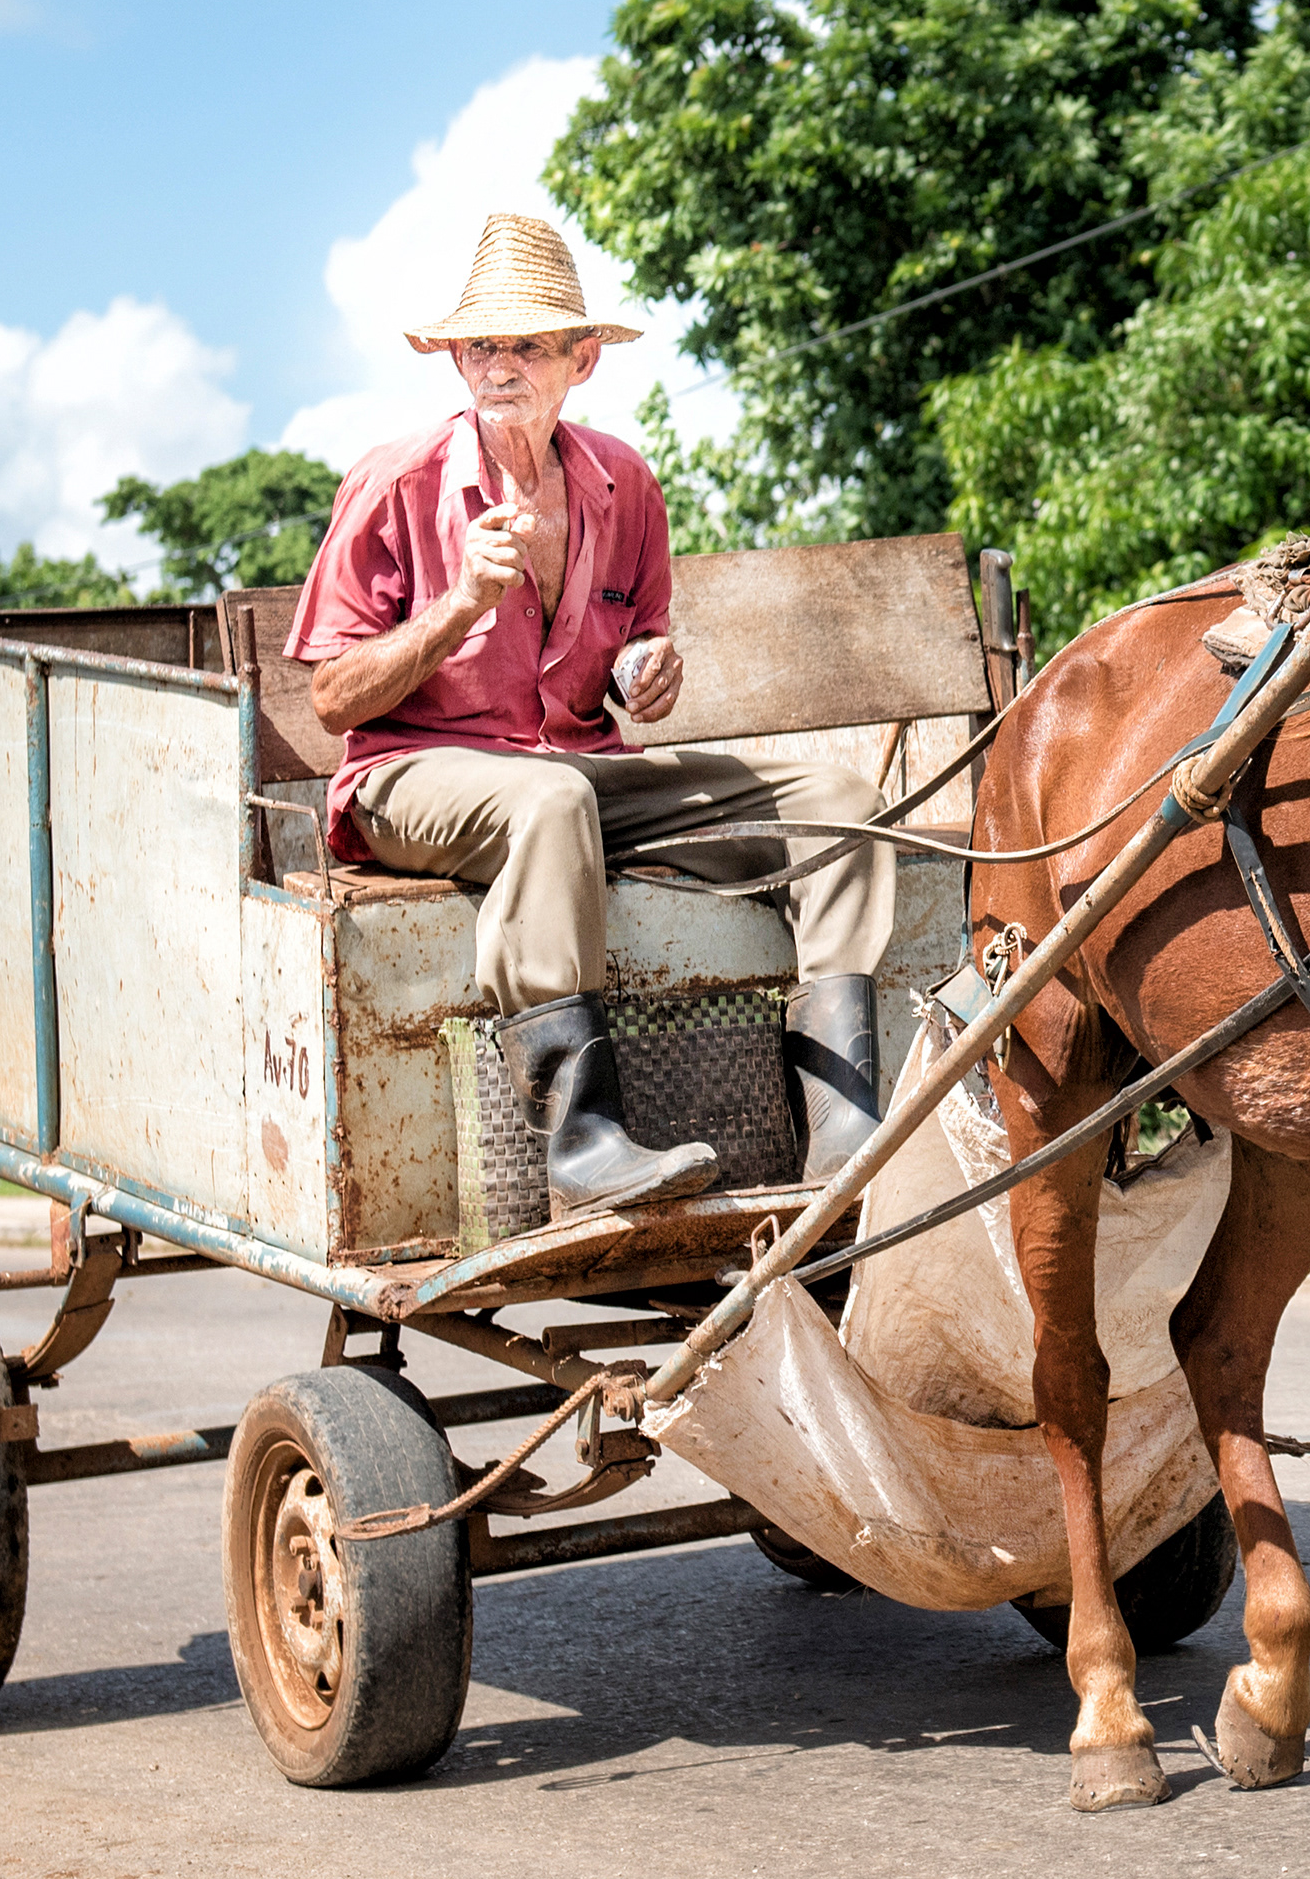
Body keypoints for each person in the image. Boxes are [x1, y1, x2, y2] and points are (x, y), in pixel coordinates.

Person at [288, 213, 892, 1214]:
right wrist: (457, 606)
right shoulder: (394, 482)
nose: (501, 366)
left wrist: (647, 668)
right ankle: (580, 1143)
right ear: (456, 361)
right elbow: (331, 698)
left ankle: (842, 1124)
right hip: (409, 780)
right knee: (550, 802)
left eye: (529, 345)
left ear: (584, 360)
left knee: (838, 805)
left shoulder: (625, 483)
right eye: (482, 345)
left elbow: (636, 644)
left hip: (576, 774)